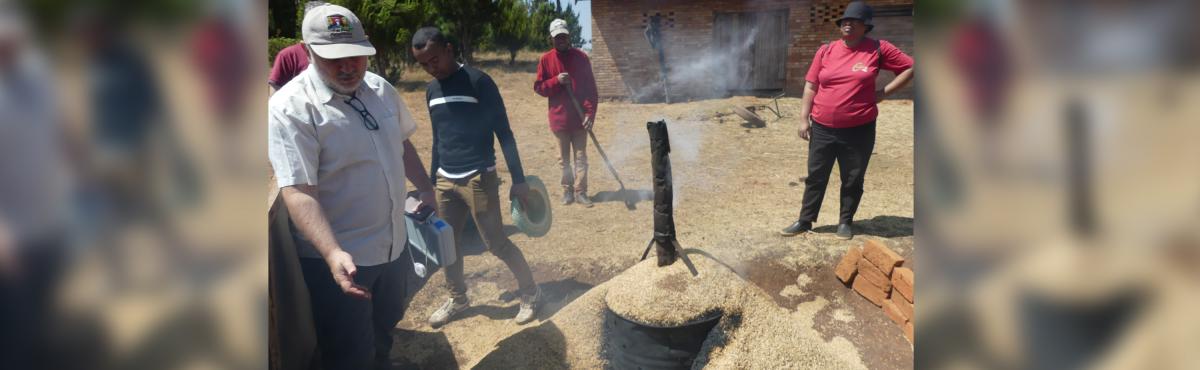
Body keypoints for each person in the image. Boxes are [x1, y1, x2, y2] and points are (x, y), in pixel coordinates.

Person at [268, 4, 436, 369]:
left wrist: (424, 188)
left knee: (386, 322)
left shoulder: (380, 89)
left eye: (355, 56)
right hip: (343, 259)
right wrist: (332, 253)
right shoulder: (291, 107)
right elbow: (297, 190)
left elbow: (402, 143)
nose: (347, 67)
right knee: (349, 353)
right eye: (333, 58)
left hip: (393, 244)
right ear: (307, 51)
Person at [410, 26, 541, 327]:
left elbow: (504, 133)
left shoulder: (478, 82)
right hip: (445, 181)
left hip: (478, 178)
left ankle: (532, 293)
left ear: (449, 49)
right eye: (423, 65)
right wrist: (431, 184)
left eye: (434, 60)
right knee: (448, 243)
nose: (431, 68)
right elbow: (438, 139)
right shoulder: (431, 91)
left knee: (496, 242)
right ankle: (458, 298)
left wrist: (518, 179)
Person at [781, 1, 914, 239]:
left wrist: (883, 93)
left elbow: (910, 67)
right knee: (816, 175)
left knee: (852, 177)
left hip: (859, 129)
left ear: (866, 26)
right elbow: (811, 86)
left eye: (855, 21)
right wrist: (803, 119)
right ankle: (805, 220)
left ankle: (845, 221)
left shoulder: (878, 49)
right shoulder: (826, 50)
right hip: (822, 127)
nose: (848, 24)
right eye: (845, 21)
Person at [534, 18, 599, 207]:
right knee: (564, 161)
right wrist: (556, 81)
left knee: (581, 158)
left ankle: (581, 192)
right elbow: (539, 88)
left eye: (564, 36)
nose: (561, 39)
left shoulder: (581, 57)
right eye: (557, 37)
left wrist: (589, 115)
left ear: (569, 36)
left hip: (580, 120)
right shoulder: (546, 60)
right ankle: (568, 191)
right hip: (559, 120)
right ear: (551, 39)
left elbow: (591, 90)